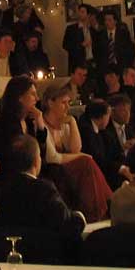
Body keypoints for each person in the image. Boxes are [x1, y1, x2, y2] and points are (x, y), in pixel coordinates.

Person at [0, 135, 85, 257]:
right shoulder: (44, 189)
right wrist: (79, 217)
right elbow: (67, 225)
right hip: (46, 257)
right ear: (36, 161)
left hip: (9, 255)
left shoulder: (4, 190)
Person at [42, 83, 113, 221]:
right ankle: (106, 206)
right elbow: (52, 158)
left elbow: (75, 149)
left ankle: (103, 208)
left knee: (87, 164)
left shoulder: (65, 124)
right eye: (63, 103)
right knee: (86, 162)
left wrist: (73, 122)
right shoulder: (42, 124)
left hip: (66, 167)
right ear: (50, 103)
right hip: (52, 168)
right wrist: (80, 156)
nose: (67, 107)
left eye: (68, 103)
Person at [78, 99, 130, 190]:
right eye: (108, 115)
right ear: (102, 116)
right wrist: (121, 168)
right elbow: (99, 160)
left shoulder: (101, 131)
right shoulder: (87, 132)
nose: (109, 119)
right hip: (94, 175)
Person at [61, 3, 95, 72]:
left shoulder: (93, 29)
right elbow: (65, 45)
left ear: (88, 15)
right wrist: (81, 45)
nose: (80, 14)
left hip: (91, 63)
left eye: (82, 12)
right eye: (79, 12)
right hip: (77, 64)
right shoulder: (71, 29)